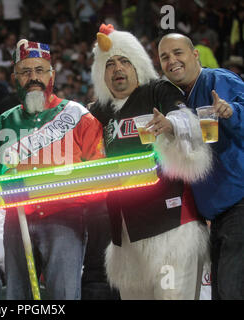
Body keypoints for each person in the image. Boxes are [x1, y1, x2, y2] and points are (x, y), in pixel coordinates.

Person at [0, 39, 106, 300]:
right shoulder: (6, 121)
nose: (34, 78)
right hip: (15, 219)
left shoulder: (77, 115)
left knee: (64, 294)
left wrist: (65, 194)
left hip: (65, 219)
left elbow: (99, 175)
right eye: (26, 72)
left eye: (40, 70)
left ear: (52, 74)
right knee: (18, 296)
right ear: (15, 78)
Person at [89, 24, 211, 300]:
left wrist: (171, 125)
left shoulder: (158, 90)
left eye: (124, 61)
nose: (117, 68)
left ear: (138, 65)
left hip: (171, 227)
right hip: (126, 236)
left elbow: (185, 120)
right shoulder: (100, 111)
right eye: (109, 64)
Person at [158, 33, 244, 300]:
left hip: (239, 204)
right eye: (165, 57)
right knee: (221, 292)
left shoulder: (219, 80)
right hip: (217, 214)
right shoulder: (176, 97)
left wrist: (232, 112)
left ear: (195, 55)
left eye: (178, 52)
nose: (172, 60)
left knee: (230, 291)